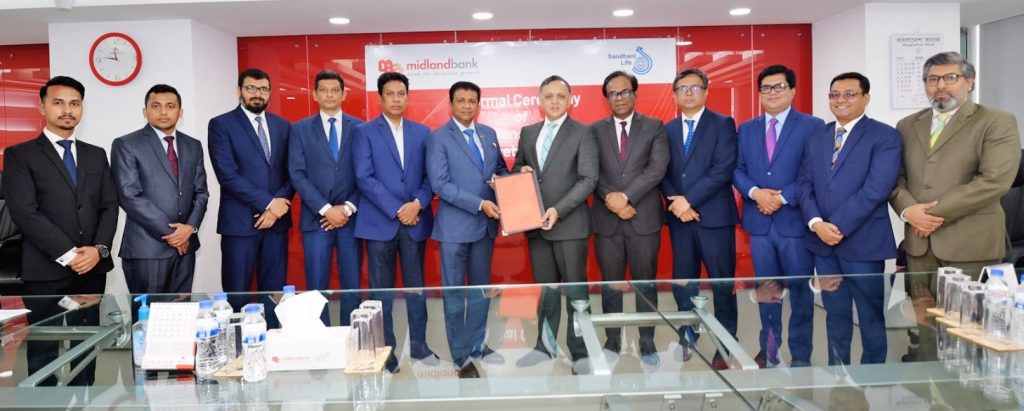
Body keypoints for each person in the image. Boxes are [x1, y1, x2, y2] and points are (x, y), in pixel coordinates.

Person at [2, 76, 119, 386]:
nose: (67, 110)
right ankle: (46, 401)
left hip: (91, 269)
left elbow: (110, 206)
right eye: (58, 102)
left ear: (82, 108)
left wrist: (98, 251)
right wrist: (69, 255)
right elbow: (25, 212)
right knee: (45, 345)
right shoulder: (20, 155)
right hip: (45, 270)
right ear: (43, 107)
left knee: (87, 340)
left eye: (74, 103)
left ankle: (85, 398)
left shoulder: (96, 154)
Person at [797, 72, 901, 365]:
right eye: (835, 94)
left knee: (870, 314)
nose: (840, 100)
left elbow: (876, 189)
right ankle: (838, 371)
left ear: (866, 98)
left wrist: (837, 226)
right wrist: (817, 224)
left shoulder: (885, 136)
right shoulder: (817, 136)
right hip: (823, 243)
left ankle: (873, 375)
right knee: (835, 312)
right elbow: (804, 184)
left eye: (850, 94)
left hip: (863, 242)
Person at [891, 51, 1020, 285]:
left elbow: (994, 180)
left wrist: (928, 217)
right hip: (919, 246)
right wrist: (908, 211)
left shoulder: (996, 121)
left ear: (969, 82)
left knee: (968, 310)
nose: (940, 85)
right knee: (922, 308)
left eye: (950, 77)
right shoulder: (907, 125)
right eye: (933, 79)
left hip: (971, 245)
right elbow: (895, 176)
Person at [734, 64, 824, 368]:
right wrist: (755, 193)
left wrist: (781, 197)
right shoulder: (746, 128)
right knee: (767, 291)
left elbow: (814, 172)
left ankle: (800, 355)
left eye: (779, 86)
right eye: (766, 88)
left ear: (792, 90)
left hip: (795, 223)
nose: (772, 92)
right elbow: (737, 169)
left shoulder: (812, 126)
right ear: (759, 93)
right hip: (759, 224)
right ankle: (769, 349)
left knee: (800, 294)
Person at [513, 75, 598, 375]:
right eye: (548, 96)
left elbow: (588, 179)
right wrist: (521, 170)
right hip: (536, 228)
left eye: (560, 96)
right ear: (540, 100)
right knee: (546, 292)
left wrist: (558, 210)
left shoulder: (584, 132)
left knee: (576, 294)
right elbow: (517, 170)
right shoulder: (528, 133)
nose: (554, 101)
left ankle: (581, 352)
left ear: (570, 100)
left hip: (569, 225)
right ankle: (545, 346)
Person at [352, 72, 437, 372]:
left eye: (401, 93)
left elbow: (431, 176)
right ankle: (385, 349)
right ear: (380, 98)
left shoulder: (423, 132)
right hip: (380, 222)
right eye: (390, 94)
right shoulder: (364, 132)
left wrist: (417, 204)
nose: (396, 99)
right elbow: (363, 177)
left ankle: (420, 345)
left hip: (415, 221)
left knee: (416, 289)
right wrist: (397, 209)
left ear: (408, 97)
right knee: (381, 293)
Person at [427, 81, 510, 378]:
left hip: (484, 228)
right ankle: (460, 355)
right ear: (450, 104)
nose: (466, 106)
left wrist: (504, 181)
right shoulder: (439, 138)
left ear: (478, 104)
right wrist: (479, 204)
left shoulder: (488, 134)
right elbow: (440, 184)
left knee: (479, 292)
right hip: (454, 229)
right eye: (460, 100)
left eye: (471, 101)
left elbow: (501, 169)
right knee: (454, 294)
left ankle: (476, 345)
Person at [660, 68, 738, 369]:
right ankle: (687, 333)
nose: (689, 93)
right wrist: (677, 203)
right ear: (675, 94)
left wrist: (688, 200)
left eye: (695, 87)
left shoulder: (722, 124)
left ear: (706, 91)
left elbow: (723, 169)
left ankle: (725, 341)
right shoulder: (666, 129)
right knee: (684, 281)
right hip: (680, 219)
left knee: (722, 283)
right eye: (683, 88)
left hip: (713, 217)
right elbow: (662, 171)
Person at [591, 71, 668, 368]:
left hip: (643, 218)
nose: (619, 98)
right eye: (613, 94)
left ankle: (647, 340)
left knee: (645, 284)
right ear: (606, 98)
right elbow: (591, 172)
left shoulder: (654, 126)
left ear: (635, 94)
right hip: (607, 220)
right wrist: (613, 200)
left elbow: (656, 168)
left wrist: (626, 197)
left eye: (624, 92)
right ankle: (612, 340)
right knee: (611, 285)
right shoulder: (594, 130)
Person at [208, 68, 293, 326]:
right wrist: (268, 204)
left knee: (275, 294)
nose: (257, 94)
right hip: (239, 225)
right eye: (251, 88)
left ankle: (272, 342)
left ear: (270, 93)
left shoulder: (282, 126)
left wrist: (276, 208)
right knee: (237, 294)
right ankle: (237, 346)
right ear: (239, 91)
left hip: (276, 225)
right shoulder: (221, 124)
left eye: (263, 89)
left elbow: (292, 172)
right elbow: (227, 175)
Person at [112, 84, 209, 295]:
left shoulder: (193, 145)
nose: (163, 112)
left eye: (170, 106)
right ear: (144, 111)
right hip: (147, 250)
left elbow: (201, 192)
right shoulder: (127, 144)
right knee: (148, 313)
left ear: (180, 112)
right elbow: (130, 196)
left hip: (186, 249)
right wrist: (174, 234)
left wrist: (190, 228)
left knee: (181, 311)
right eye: (156, 106)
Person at [288, 70, 363, 326]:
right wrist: (326, 209)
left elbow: (366, 173)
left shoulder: (361, 128)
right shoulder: (299, 129)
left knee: (351, 284)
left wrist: (347, 208)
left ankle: (351, 335)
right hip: (316, 219)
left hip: (351, 219)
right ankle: (321, 337)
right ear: (315, 95)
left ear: (343, 94)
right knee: (316, 285)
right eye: (324, 90)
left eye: (335, 90)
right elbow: (297, 174)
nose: (329, 95)